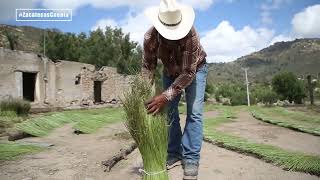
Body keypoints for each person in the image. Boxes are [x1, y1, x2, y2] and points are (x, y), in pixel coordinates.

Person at [142, 0, 208, 179]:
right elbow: (148, 67)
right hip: (170, 71)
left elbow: (188, 73)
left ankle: (191, 159)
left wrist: (165, 95)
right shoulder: (150, 38)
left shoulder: (191, 36)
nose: (173, 37)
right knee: (170, 113)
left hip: (196, 70)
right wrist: (145, 91)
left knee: (194, 113)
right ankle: (174, 153)